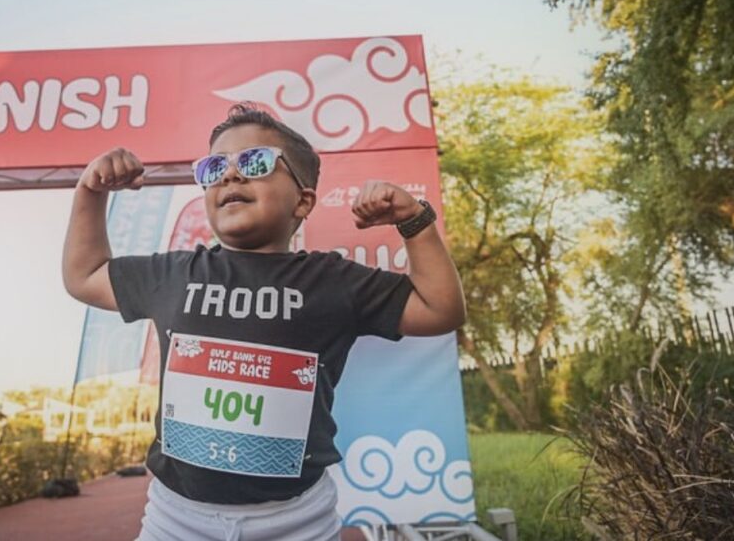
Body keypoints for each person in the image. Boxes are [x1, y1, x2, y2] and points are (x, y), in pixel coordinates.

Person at [62, 105, 466, 541]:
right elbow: (83, 276)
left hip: (296, 521)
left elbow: (441, 309)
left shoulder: (333, 280)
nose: (230, 176)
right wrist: (90, 192)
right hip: (176, 519)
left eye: (255, 163)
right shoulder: (173, 273)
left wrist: (414, 221)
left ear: (303, 201)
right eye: (215, 167)